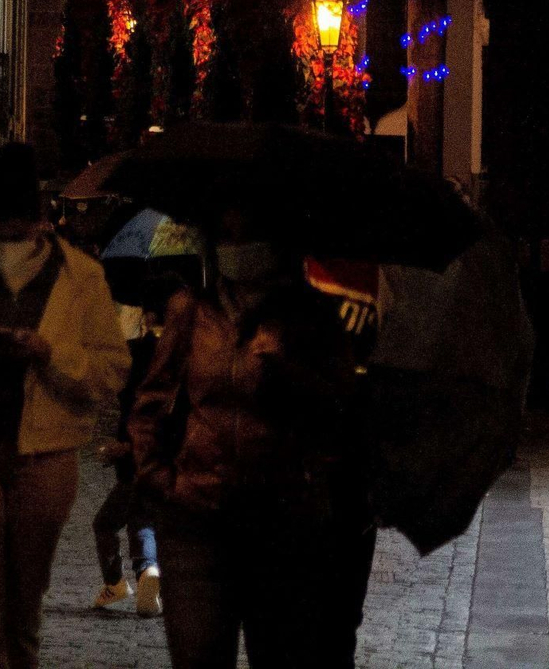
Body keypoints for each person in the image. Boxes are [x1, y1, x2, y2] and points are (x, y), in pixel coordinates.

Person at [0, 142, 130, 669]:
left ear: (38, 222)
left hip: (47, 453)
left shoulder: (81, 276)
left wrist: (50, 355)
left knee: (23, 599)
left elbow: (110, 368)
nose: (6, 244)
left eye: (16, 231)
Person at [128, 211, 373, 669]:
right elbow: (151, 402)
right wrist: (157, 477)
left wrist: (291, 374)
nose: (237, 243)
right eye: (226, 231)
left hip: (281, 522)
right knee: (199, 654)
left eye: (249, 231)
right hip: (197, 515)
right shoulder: (192, 311)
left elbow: (341, 410)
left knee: (280, 654)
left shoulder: (313, 318)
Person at [92, 281, 171, 618]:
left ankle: (120, 582)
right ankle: (147, 574)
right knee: (142, 518)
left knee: (107, 522)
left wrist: (124, 447)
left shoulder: (141, 354)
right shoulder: (188, 354)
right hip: (164, 461)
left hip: (139, 459)